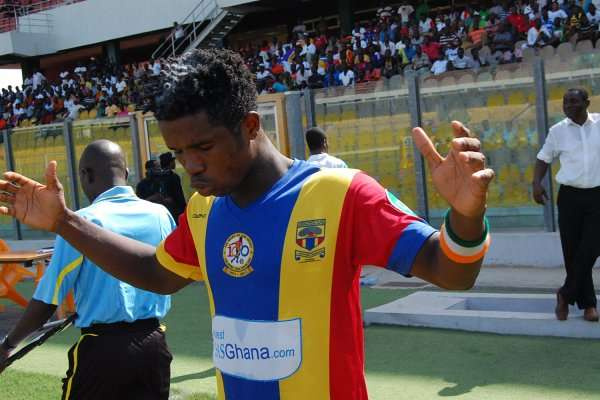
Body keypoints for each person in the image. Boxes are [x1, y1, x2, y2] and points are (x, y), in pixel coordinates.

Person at [0, 49, 495, 400]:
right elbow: (157, 273)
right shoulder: (204, 210)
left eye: (203, 148)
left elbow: (451, 271)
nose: (189, 165)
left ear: (250, 127)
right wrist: (64, 222)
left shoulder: (341, 192)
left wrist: (465, 217)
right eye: (178, 152)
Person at [0, 140, 175, 398]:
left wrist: (8, 345)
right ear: (125, 173)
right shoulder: (161, 214)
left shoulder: (81, 221)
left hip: (102, 350)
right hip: (154, 345)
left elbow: (48, 298)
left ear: (86, 175)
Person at [532, 88, 600, 323]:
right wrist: (536, 183)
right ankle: (589, 305)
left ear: (586, 103)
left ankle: (565, 293)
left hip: (597, 196)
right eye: (565, 102)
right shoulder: (558, 131)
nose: (568, 106)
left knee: (590, 247)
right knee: (572, 251)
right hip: (570, 197)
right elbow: (543, 158)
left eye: (573, 102)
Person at [158, 151, 187, 221]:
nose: (174, 163)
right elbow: (178, 195)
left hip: (163, 211)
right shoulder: (173, 176)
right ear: (170, 163)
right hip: (175, 210)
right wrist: (184, 208)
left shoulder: (158, 176)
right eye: (173, 161)